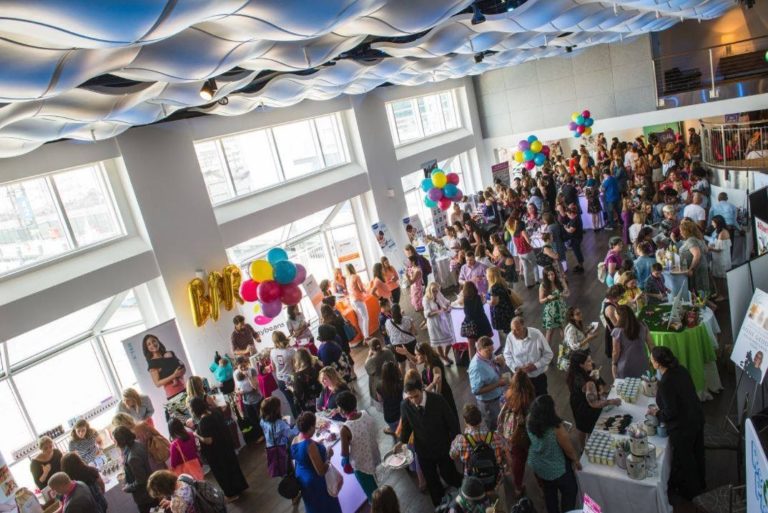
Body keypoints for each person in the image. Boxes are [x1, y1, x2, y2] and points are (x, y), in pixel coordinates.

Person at [647, 347, 706, 500]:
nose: (651, 361)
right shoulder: (681, 370)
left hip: (683, 427)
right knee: (697, 452)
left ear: (659, 363)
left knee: (686, 459)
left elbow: (671, 412)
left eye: (652, 359)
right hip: (696, 417)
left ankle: (692, 493)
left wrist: (657, 413)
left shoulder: (666, 382)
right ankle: (701, 482)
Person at [395, 380, 463, 506]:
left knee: (450, 475)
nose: (414, 400)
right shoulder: (405, 405)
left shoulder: (437, 400)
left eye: (416, 396)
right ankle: (440, 506)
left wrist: (457, 442)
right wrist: (402, 442)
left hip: (442, 446)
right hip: (423, 451)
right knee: (432, 484)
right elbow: (406, 425)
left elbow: (451, 422)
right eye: (410, 397)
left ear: (422, 390)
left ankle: (465, 493)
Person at [526, 395, 580, 513]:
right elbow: (568, 450)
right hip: (557, 467)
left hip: (539, 465)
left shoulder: (529, 420)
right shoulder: (556, 428)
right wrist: (576, 460)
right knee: (570, 491)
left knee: (549, 493)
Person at [189, 396, 248, 501]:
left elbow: (208, 440)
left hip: (216, 452)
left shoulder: (204, 421)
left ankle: (231, 494)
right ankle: (240, 487)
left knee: (223, 473)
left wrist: (196, 434)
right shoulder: (215, 411)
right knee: (233, 467)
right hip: (226, 445)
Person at [567, 351, 621, 448]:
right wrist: (611, 401)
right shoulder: (585, 382)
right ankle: (585, 448)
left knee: (583, 427)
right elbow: (594, 403)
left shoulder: (574, 372)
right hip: (584, 407)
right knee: (587, 427)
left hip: (577, 401)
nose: (591, 362)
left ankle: (584, 446)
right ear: (581, 365)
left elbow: (600, 385)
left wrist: (599, 385)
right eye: (588, 361)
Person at [291, 412, 343, 513]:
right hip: (315, 482)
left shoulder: (295, 440)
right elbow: (321, 471)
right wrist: (328, 456)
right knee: (327, 507)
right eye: (314, 426)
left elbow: (302, 456)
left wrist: (318, 443)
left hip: (302, 479)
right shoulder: (309, 445)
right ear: (310, 428)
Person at [449, 403, 507, 493]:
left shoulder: (461, 439)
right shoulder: (495, 436)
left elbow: (452, 455)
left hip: (473, 482)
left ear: (465, 421)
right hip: (495, 480)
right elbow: (506, 449)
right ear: (480, 419)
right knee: (497, 502)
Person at [337, 391, 381, 501]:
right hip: (372, 455)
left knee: (371, 493)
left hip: (361, 464)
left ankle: (379, 507)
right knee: (374, 484)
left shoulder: (345, 429)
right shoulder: (365, 413)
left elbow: (344, 453)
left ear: (342, 410)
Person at [497, 370, 535, 495]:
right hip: (527, 432)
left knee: (517, 459)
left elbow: (501, 407)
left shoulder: (506, 395)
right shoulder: (529, 397)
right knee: (532, 456)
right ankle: (541, 483)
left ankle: (517, 486)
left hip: (511, 433)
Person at [503, 316, 553, 397]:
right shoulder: (510, 337)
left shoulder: (536, 334)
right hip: (521, 379)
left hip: (538, 377)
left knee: (542, 400)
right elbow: (507, 355)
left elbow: (549, 354)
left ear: (523, 326)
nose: (514, 333)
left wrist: (535, 366)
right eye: (512, 330)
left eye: (517, 329)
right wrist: (516, 368)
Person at [112, 426, 157, 513]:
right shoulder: (136, 444)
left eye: (114, 440)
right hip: (150, 489)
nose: (114, 443)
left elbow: (141, 480)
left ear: (120, 441)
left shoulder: (132, 457)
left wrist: (127, 488)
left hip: (145, 496)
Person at [468, 336, 507, 431]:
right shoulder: (476, 367)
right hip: (489, 403)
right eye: (488, 351)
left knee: (501, 422)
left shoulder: (488, 356)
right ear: (479, 350)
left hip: (498, 396)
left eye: (492, 350)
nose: (491, 353)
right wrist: (497, 384)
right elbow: (476, 390)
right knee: (494, 427)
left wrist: (501, 364)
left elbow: (493, 370)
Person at [611, 305, 654, 379]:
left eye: (616, 314)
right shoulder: (642, 325)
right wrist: (652, 357)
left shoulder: (617, 331)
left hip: (626, 365)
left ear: (620, 317)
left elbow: (615, 352)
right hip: (643, 363)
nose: (615, 316)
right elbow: (651, 344)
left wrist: (614, 364)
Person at [143, 333, 186, 399]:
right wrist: (174, 375)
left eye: (154, 341)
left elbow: (182, 367)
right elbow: (157, 383)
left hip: (185, 386)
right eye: (149, 344)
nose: (152, 344)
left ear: (158, 341)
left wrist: (182, 370)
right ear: (147, 348)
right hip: (173, 394)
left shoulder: (169, 354)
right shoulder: (152, 364)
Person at [422, 282, 455, 365]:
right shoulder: (426, 299)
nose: (436, 292)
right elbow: (427, 314)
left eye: (437, 290)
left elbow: (446, 302)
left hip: (442, 321)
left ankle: (445, 355)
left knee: (451, 339)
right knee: (438, 343)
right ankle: (444, 358)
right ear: (429, 290)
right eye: (434, 291)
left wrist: (449, 307)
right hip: (434, 323)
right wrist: (438, 312)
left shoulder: (439, 294)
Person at [234, 356, 265, 441]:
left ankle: (267, 432)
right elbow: (236, 388)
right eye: (241, 367)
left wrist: (248, 376)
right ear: (237, 367)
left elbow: (255, 386)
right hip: (246, 401)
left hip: (257, 399)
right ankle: (260, 435)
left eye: (245, 365)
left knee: (262, 417)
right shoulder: (235, 373)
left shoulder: (252, 370)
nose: (244, 368)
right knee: (253, 420)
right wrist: (238, 392)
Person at [679, 219, 711, 301]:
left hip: (696, 269)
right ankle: (708, 307)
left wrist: (691, 269)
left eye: (681, 231)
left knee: (699, 291)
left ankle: (707, 309)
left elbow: (697, 255)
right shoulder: (698, 238)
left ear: (687, 231)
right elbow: (706, 250)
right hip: (701, 267)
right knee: (700, 290)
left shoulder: (691, 240)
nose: (680, 232)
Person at [462, 280, 493, 359]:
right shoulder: (478, 297)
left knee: (471, 346)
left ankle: (472, 363)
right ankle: (488, 358)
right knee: (485, 343)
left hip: (470, 324)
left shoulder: (464, 299)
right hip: (481, 323)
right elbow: (482, 305)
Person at [270, 331, 298, 418]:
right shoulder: (291, 351)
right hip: (291, 378)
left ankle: (298, 420)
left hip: (281, 380)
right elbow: (296, 366)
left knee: (290, 402)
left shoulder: (272, 352)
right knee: (298, 399)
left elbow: (273, 368)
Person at [385, 303, 418, 376]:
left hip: (397, 346)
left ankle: (404, 382)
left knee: (402, 365)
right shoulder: (407, 319)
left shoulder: (388, 322)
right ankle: (418, 382)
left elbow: (389, 334)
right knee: (412, 364)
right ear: (400, 311)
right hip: (410, 343)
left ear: (391, 312)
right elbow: (415, 332)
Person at [539, 265, 569, 346]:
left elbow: (568, 293)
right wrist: (547, 298)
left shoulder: (560, 281)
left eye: (552, 274)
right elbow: (541, 300)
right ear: (545, 276)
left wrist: (563, 295)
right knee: (549, 331)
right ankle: (547, 351)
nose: (551, 276)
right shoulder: (543, 285)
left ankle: (566, 348)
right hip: (550, 311)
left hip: (561, 307)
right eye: (548, 275)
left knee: (563, 328)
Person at [487, 267, 516, 342]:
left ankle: (509, 348)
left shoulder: (494, 287)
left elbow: (494, 302)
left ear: (491, 275)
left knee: (506, 333)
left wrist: (486, 301)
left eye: (487, 274)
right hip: (507, 308)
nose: (486, 276)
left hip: (501, 312)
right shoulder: (502, 282)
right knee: (509, 330)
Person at [709, 214, 732, 301]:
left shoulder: (723, 233)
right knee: (715, 276)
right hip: (716, 258)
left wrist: (709, 248)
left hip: (722, 259)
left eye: (713, 222)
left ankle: (723, 295)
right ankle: (718, 292)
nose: (712, 224)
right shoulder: (718, 231)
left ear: (717, 223)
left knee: (721, 278)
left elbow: (719, 249)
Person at [292, 348, 323, 414]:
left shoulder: (297, 376)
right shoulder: (317, 367)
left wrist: (291, 389)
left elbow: (298, 395)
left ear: (298, 360)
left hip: (309, 405)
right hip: (321, 398)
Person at [345, 263, 371, 342]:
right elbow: (361, 288)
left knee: (360, 318)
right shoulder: (356, 277)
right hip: (359, 299)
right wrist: (367, 290)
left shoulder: (347, 278)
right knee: (365, 317)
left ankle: (364, 335)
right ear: (353, 268)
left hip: (352, 300)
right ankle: (366, 337)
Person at [377, 361, 403, 435]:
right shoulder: (401, 383)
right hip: (402, 414)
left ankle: (393, 430)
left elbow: (380, 400)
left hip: (389, 416)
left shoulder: (379, 385)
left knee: (396, 430)